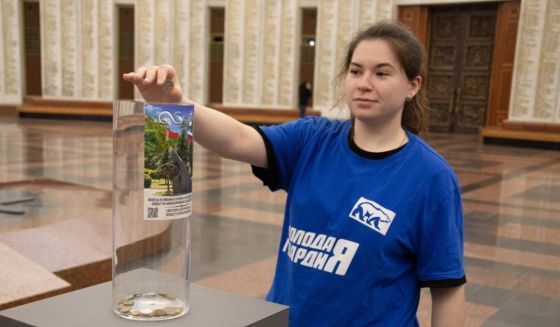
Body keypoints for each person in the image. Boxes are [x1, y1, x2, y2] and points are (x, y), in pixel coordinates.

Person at [124, 21, 466, 327]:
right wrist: (176, 105)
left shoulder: (430, 177)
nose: (364, 83)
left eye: (382, 73)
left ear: (413, 85)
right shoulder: (312, 140)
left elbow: (447, 288)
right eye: (356, 71)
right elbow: (239, 138)